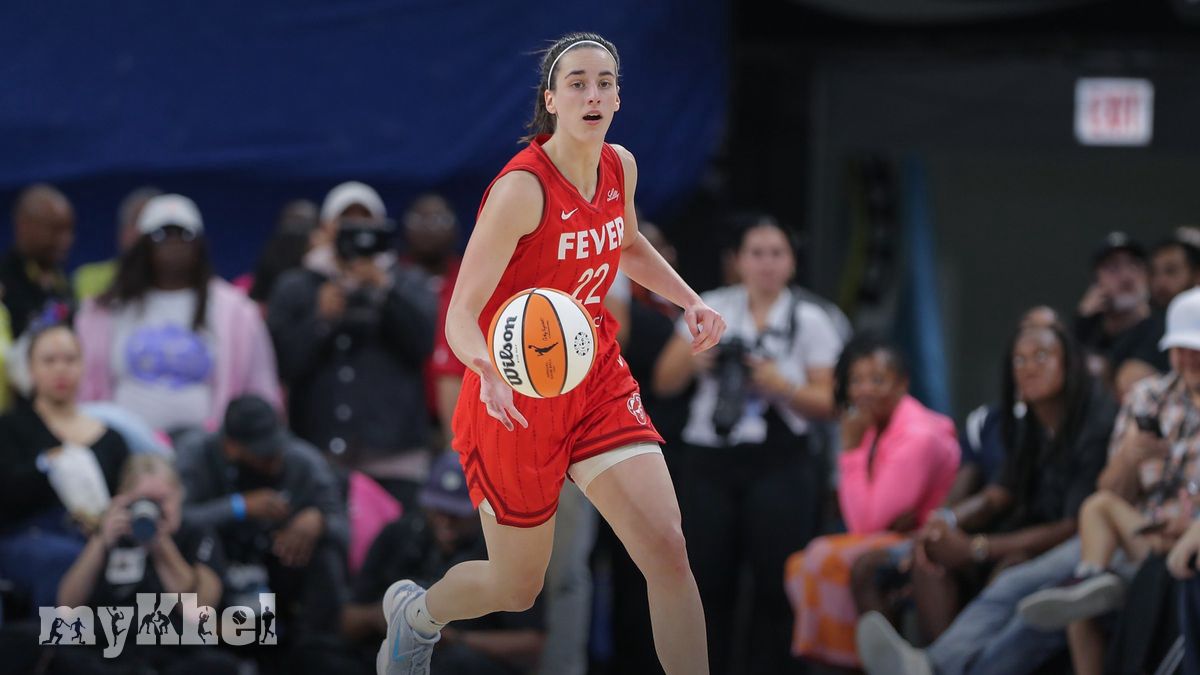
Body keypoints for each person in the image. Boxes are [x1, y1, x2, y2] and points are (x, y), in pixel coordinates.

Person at [376, 33, 726, 675]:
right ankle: (417, 616)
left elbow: (625, 242)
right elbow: (459, 315)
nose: (593, 94)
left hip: (594, 379)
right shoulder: (522, 190)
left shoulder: (620, 166)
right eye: (577, 83)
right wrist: (485, 368)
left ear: (617, 98)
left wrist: (688, 300)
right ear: (551, 100)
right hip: (513, 393)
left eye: (604, 83)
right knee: (516, 588)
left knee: (668, 551)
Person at [856, 322, 1119, 675]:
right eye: (1019, 360)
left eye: (1041, 356)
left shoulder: (1096, 421)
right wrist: (945, 521)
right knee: (919, 556)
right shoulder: (1026, 422)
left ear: (1069, 363)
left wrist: (977, 548)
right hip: (1019, 534)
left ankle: (933, 665)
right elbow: (998, 494)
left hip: (1076, 545)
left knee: (1013, 576)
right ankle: (929, 663)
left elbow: (1074, 525)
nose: (1029, 368)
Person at [653, 215, 841, 674]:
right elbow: (663, 383)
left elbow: (832, 403)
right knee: (705, 581)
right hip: (710, 458)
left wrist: (781, 384)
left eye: (777, 253)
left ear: (792, 262)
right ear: (737, 260)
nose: (766, 264)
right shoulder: (709, 306)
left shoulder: (812, 319)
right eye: (756, 253)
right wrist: (699, 359)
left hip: (781, 462)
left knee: (777, 585)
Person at [1015, 288, 1200, 673]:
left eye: (1195, 349)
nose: (1188, 359)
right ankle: (1093, 579)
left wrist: (1190, 529)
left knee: (1036, 585)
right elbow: (1110, 490)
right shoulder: (1150, 396)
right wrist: (1130, 456)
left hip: (1188, 544)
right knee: (1076, 589)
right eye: (1179, 349)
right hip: (1141, 534)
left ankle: (1093, 580)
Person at [785, 337, 959, 668]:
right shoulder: (871, 424)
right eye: (856, 380)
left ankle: (852, 662)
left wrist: (850, 450)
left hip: (924, 539)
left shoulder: (918, 436)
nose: (864, 390)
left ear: (902, 383)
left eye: (877, 380)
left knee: (822, 557)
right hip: (893, 534)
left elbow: (864, 525)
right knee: (800, 562)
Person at [267, 183, 436, 504]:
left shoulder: (407, 281)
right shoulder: (297, 285)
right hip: (318, 452)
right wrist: (320, 319)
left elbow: (422, 345)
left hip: (395, 454)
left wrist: (385, 292)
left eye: (366, 222)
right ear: (325, 228)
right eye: (346, 223)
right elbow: (283, 364)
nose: (357, 232)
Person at [75, 193, 283, 434]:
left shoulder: (237, 313)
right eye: (161, 235)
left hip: (210, 446)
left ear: (200, 244)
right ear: (143, 245)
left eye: (185, 234)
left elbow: (261, 389)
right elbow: (81, 386)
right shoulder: (105, 310)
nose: (173, 243)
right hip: (122, 441)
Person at [345, 453, 546, 675]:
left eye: (456, 513)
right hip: (389, 646)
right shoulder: (399, 534)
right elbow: (347, 619)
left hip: (464, 660)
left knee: (455, 661)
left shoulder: (504, 550)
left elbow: (533, 645)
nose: (445, 521)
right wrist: (386, 617)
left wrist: (454, 638)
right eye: (438, 509)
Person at [176, 394, 348, 642]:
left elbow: (344, 527)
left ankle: (316, 646)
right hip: (219, 566)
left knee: (326, 555)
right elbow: (178, 521)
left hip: (279, 565)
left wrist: (319, 521)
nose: (275, 459)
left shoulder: (302, 459)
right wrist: (240, 507)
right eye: (263, 453)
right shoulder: (197, 453)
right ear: (231, 446)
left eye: (277, 446)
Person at [51, 454, 238, 675]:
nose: (152, 510)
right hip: (107, 652)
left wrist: (161, 546)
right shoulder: (110, 536)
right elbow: (66, 607)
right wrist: (100, 542)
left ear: (179, 495)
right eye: (144, 501)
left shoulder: (195, 535)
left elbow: (199, 611)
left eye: (161, 501)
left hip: (172, 651)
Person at [0, 323, 130, 610]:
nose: (61, 369)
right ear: (31, 369)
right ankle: (60, 639)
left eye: (70, 359)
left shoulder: (112, 437)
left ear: (83, 366)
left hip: (100, 536)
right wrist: (48, 466)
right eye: (49, 360)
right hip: (28, 538)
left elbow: (126, 494)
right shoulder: (9, 428)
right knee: (64, 558)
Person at [1075, 231, 1167, 384]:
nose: (1126, 276)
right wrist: (1081, 321)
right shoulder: (1087, 330)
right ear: (1096, 282)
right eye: (1113, 267)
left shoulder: (1161, 328)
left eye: (1134, 265)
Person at [0, 184, 75, 337]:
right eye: (55, 229)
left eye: (69, 229)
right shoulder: (4, 280)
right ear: (24, 226)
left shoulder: (61, 281)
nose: (66, 240)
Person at [73, 186, 163, 301]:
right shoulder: (88, 277)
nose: (143, 232)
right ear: (123, 232)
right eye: (137, 222)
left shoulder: (178, 282)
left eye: (154, 226)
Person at [247, 199, 320, 307]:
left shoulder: (323, 264)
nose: (296, 229)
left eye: (304, 224)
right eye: (293, 221)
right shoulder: (273, 250)